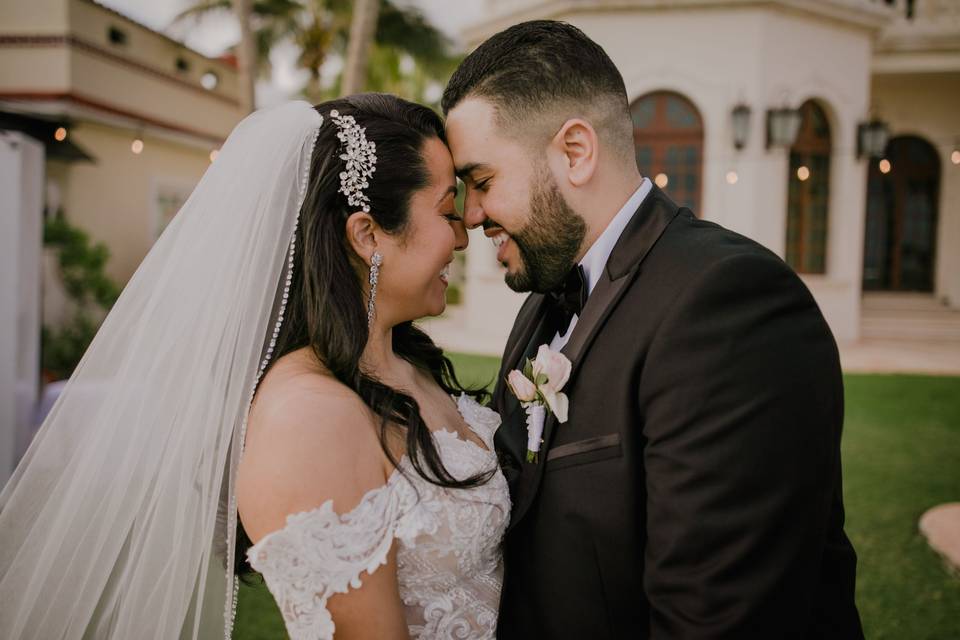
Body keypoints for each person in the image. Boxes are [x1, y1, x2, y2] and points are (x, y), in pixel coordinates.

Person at [0, 94, 509, 640]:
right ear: (367, 235)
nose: (463, 235)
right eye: (447, 213)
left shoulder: (409, 365)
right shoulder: (308, 417)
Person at [442, 20, 863, 639]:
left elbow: (718, 620)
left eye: (482, 182)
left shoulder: (730, 306)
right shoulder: (544, 300)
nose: (472, 214)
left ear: (575, 151)